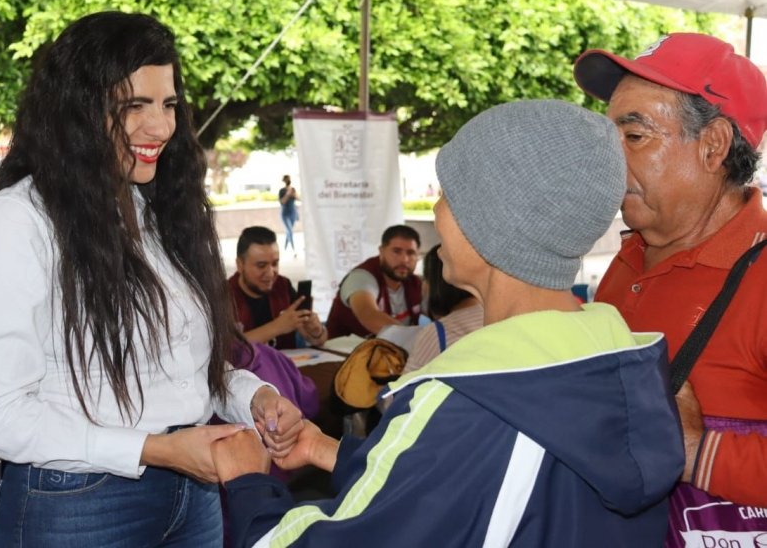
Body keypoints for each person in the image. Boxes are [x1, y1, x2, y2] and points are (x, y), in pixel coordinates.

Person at [211, 100, 684, 547]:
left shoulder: (469, 401)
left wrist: (249, 483)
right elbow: (467, 484)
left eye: (446, 195)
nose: (435, 214)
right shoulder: (623, 365)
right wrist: (324, 449)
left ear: (491, 226)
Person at [0, 12, 303, 547]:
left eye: (168, 104)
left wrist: (253, 396)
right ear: (77, 109)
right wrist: (155, 450)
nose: (161, 127)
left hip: (193, 492)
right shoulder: (16, 221)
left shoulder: (159, 212)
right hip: (77, 501)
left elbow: (178, 376)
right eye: (134, 105)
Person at [574, 32, 767, 508]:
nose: (607, 158)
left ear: (714, 145)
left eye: (635, 136)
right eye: (608, 137)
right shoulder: (629, 257)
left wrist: (697, 452)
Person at [228, 226, 326, 349]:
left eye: (275, 264)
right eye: (261, 265)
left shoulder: (282, 285)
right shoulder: (222, 297)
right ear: (240, 265)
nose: (270, 273)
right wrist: (278, 327)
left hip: (287, 366)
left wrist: (316, 332)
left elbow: (319, 340)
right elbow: (228, 349)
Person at [325, 225, 422, 339]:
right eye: (396, 251)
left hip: (388, 353)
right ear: (381, 251)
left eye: (410, 253)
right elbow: (370, 316)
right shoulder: (361, 277)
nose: (404, 260)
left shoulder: (415, 282)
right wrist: (419, 339)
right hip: (341, 353)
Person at [401, 244, 483, 373]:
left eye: (425, 278)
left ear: (436, 284)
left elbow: (403, 390)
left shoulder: (439, 333)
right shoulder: (502, 318)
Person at [278, 175, 298, 254]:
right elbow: (282, 202)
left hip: (292, 213)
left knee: (289, 232)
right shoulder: (282, 191)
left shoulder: (293, 189)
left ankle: (285, 248)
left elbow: (298, 198)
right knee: (290, 231)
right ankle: (294, 250)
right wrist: (287, 194)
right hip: (285, 214)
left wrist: (293, 194)